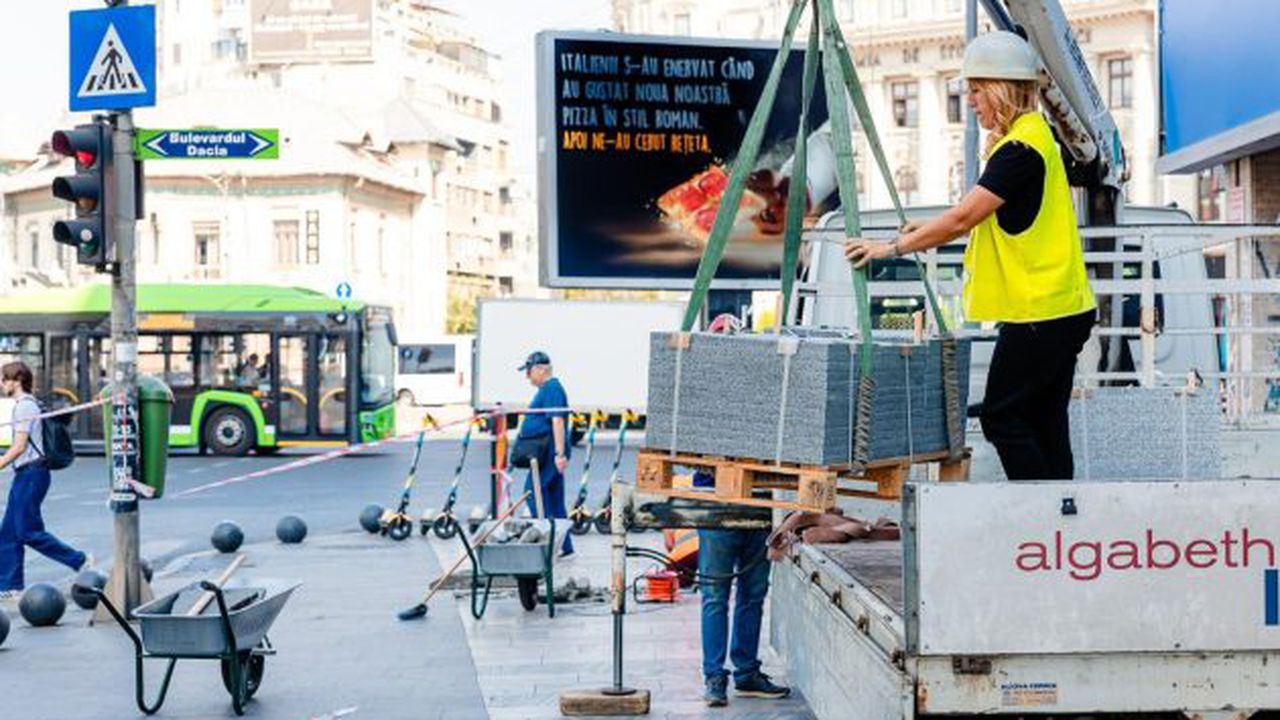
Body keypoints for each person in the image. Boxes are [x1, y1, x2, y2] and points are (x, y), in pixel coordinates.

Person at [845, 31, 1098, 480]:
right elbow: (980, 212)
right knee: (1044, 420)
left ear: (1002, 90)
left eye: (978, 90)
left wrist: (890, 249)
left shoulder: (1019, 151)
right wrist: (926, 227)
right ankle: (1060, 512)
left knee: (1002, 416)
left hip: (1040, 312)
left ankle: (1038, 509)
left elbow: (963, 219)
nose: (972, 101)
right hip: (1061, 308)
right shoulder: (1036, 137)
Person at [0, 361, 90, 600]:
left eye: (4, 379)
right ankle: (9, 586)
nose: (1, 384)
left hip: (32, 473)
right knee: (8, 533)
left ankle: (78, 560)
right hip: (27, 474)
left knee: (28, 531)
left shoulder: (24, 407)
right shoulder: (28, 404)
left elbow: (19, 447)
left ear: (17, 380)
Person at [698, 524, 791, 706]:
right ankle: (715, 676)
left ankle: (746, 675)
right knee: (715, 597)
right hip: (716, 519)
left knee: (752, 597)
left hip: (760, 521)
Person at [516, 351, 574, 557]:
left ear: (540, 369)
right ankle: (565, 547)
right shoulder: (550, 389)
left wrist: (559, 454)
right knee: (554, 498)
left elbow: (557, 421)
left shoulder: (551, 389)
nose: (527, 377)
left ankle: (549, 542)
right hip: (549, 451)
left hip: (549, 452)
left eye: (529, 371)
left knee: (534, 492)